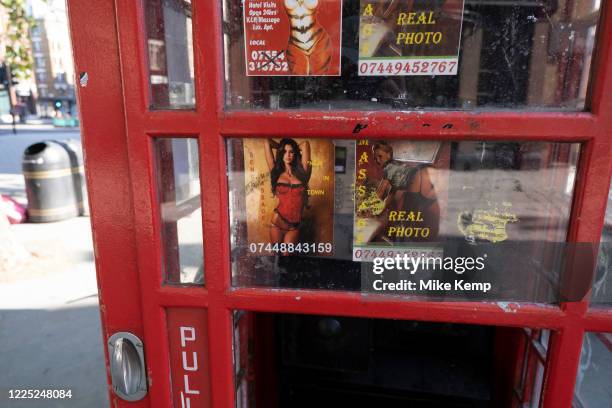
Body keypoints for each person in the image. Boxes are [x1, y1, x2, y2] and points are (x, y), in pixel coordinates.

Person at [370, 141, 440, 242]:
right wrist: (381, 208)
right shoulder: (397, 166)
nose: (377, 160)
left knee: (405, 227)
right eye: (375, 158)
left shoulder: (388, 169)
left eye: (380, 156)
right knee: (409, 226)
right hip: (427, 180)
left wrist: (368, 208)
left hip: (419, 183)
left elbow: (380, 191)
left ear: (389, 155)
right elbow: (392, 192)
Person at [264, 138, 312, 252]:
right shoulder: (276, 171)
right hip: (277, 222)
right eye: (284, 152)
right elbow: (266, 142)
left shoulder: (303, 172)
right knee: (277, 256)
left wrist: (291, 147)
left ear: (295, 154)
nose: (288, 155)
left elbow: (305, 144)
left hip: (294, 226)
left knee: (287, 257)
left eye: (291, 152)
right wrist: (280, 147)